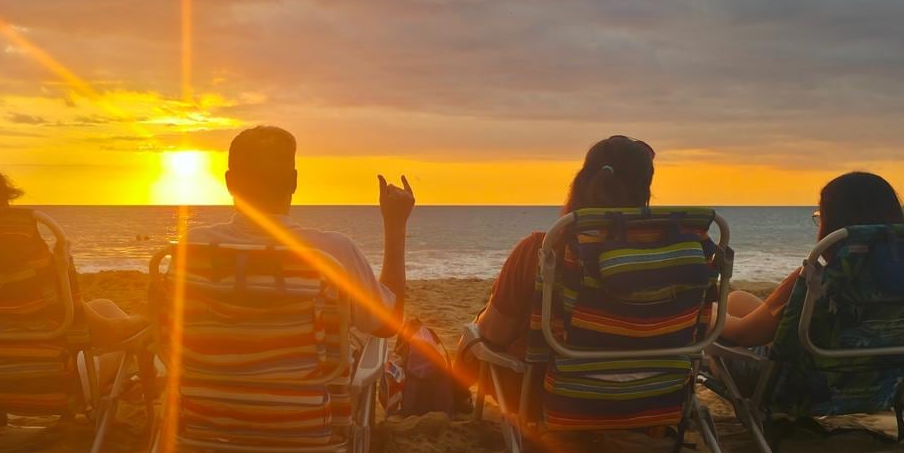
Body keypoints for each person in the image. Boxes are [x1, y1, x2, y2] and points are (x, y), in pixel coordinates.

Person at [187, 125, 415, 336]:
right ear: (294, 181)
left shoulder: (192, 247)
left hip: (207, 378)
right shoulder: (333, 252)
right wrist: (395, 224)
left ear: (229, 182)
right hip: (310, 379)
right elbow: (388, 324)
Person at [461, 135, 655, 364]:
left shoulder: (543, 250)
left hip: (553, 394)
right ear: (645, 192)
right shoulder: (677, 258)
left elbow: (494, 334)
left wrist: (478, 323)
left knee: (471, 340)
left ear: (582, 183)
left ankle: (457, 399)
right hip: (661, 393)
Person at [0, 162, 149, 356]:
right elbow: (102, 333)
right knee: (125, 344)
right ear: (2, 212)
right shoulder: (29, 264)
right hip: (41, 386)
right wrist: (143, 319)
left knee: (105, 305)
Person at [717, 170, 904, 347]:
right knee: (737, 299)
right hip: (885, 378)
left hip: (802, 380)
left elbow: (743, 335)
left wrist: (709, 315)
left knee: (715, 332)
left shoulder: (814, 281)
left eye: (821, 217)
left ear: (832, 226)